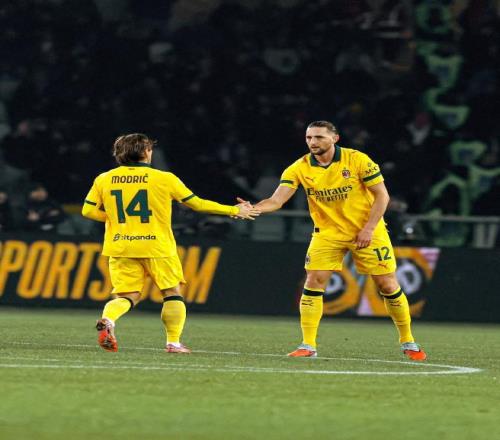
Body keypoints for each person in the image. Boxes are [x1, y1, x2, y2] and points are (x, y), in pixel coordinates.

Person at [243, 121, 426, 361]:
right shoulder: (298, 168)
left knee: (387, 285)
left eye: (319, 137)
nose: (313, 142)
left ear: (335, 138)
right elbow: (277, 201)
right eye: (309, 137)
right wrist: (253, 208)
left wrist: (369, 228)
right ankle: (308, 345)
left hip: (367, 230)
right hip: (327, 234)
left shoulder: (357, 159)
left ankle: (408, 341)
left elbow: (382, 196)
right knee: (314, 280)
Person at [82, 133, 260, 353]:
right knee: (171, 293)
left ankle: (109, 319)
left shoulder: (104, 179)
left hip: (120, 245)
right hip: (157, 246)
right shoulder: (164, 178)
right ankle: (173, 342)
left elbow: (88, 210)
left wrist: (117, 220)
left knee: (127, 296)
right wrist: (234, 210)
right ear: (146, 152)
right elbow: (197, 204)